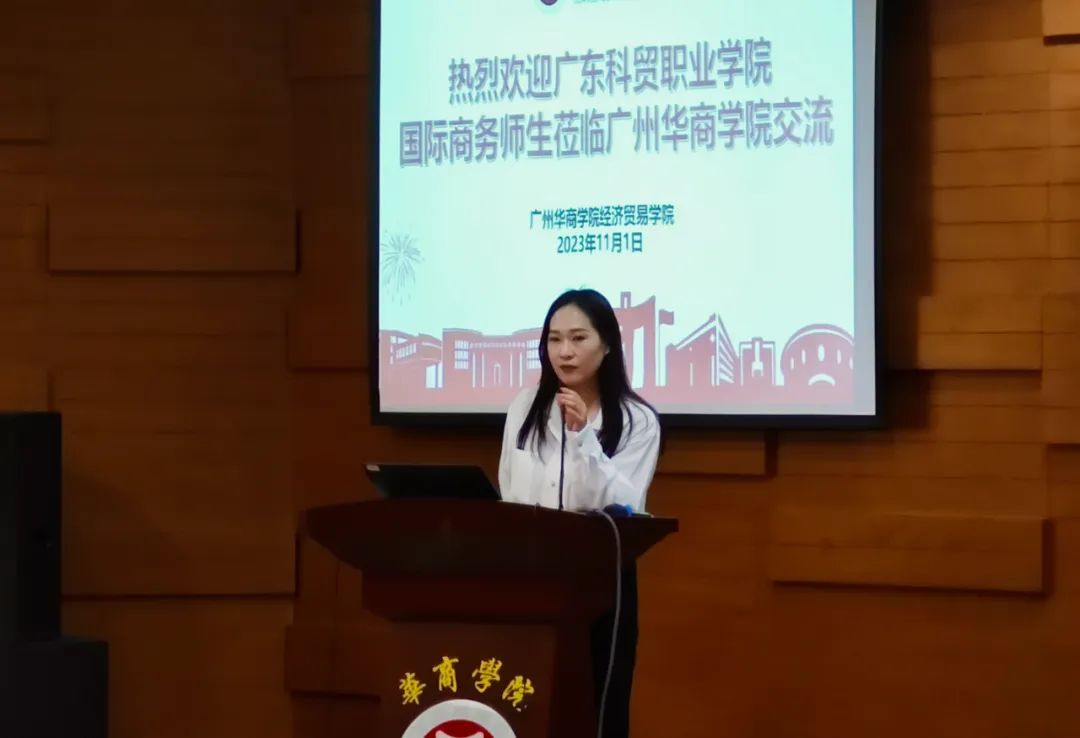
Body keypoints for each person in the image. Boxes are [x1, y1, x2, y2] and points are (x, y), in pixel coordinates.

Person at [498, 288, 662, 738]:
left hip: (600, 581)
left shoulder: (637, 421)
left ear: (606, 345)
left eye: (578, 338)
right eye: (554, 340)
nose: (564, 352)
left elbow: (622, 505)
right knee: (524, 703)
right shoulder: (524, 407)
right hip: (529, 573)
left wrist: (584, 436)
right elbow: (509, 486)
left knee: (592, 711)